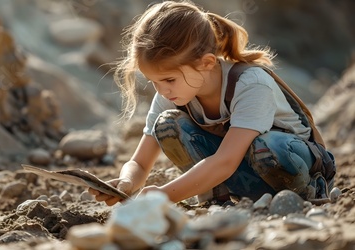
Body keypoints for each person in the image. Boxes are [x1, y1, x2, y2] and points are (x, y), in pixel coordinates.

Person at [89, 0, 335, 206]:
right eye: (153, 82)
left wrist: (164, 196)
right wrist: (127, 183)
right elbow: (140, 162)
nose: (162, 90)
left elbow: (226, 161)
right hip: (244, 171)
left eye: (169, 79)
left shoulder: (250, 84)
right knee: (167, 125)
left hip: (296, 162)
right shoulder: (172, 93)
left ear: (206, 63)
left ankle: (308, 194)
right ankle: (218, 199)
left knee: (265, 146)